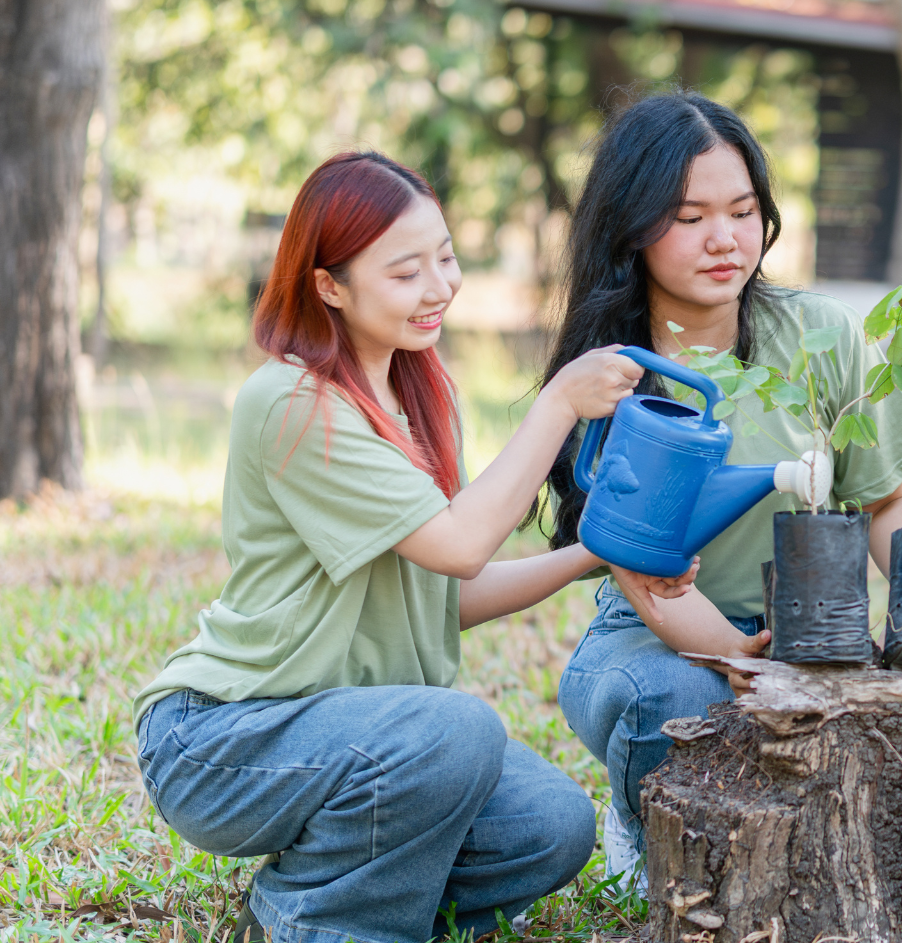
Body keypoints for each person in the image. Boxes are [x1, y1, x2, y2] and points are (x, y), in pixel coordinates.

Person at [134, 152, 647, 941]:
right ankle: (325, 926)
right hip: (223, 740)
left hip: (352, 735)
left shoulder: (416, 397)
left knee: (550, 823)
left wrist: (594, 553)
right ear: (329, 286)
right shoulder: (294, 402)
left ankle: (299, 906)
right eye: (406, 272)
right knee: (457, 730)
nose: (440, 287)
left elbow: (448, 595)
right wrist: (557, 404)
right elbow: (461, 547)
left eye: (446, 257)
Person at [538, 91, 902, 894]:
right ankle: (645, 830)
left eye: (743, 209)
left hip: (809, 626)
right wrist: (742, 661)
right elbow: (646, 577)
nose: (725, 239)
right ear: (632, 228)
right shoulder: (615, 374)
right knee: (681, 695)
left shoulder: (820, 334)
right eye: (688, 218)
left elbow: (885, 505)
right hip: (653, 636)